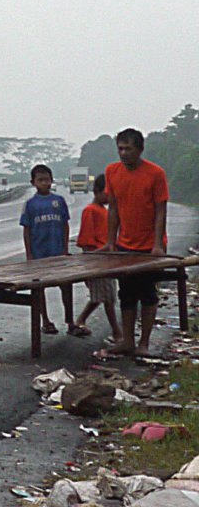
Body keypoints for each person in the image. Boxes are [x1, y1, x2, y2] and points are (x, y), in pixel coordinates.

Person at [99, 128, 169, 358]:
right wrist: (110, 242)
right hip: (125, 244)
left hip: (150, 245)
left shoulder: (155, 173)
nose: (124, 153)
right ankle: (127, 340)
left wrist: (157, 245)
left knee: (148, 293)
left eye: (128, 148)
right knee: (126, 294)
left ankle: (144, 343)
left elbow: (160, 210)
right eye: (120, 148)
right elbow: (114, 208)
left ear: (139, 149)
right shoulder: (112, 171)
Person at [19, 164, 74, 335]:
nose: (44, 183)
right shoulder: (30, 204)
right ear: (33, 182)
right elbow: (26, 230)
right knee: (39, 289)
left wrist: (65, 248)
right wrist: (29, 254)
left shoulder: (59, 201)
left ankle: (70, 322)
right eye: (40, 180)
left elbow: (65, 225)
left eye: (47, 179)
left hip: (58, 253)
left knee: (66, 287)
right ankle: (45, 320)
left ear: (52, 180)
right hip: (39, 254)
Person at [75, 173, 122, 343]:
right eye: (107, 193)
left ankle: (80, 320)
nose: (110, 197)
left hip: (107, 260)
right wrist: (91, 261)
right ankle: (117, 331)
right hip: (97, 260)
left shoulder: (104, 211)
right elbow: (86, 241)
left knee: (103, 295)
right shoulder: (90, 211)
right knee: (107, 297)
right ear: (96, 191)